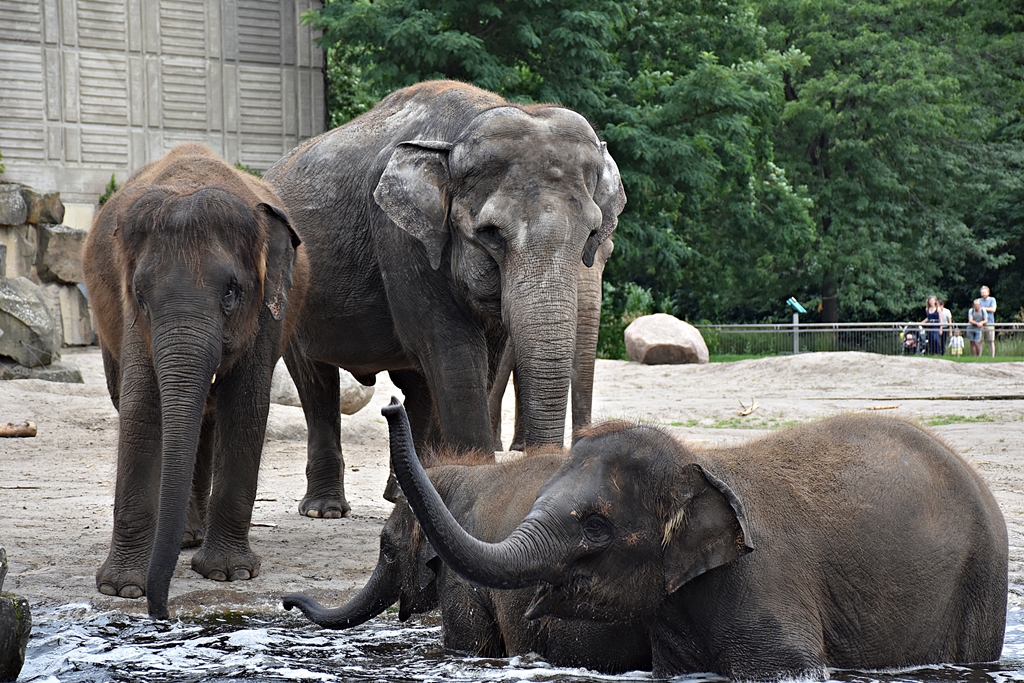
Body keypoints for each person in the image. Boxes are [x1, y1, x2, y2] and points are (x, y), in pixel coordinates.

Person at [979, 285, 997, 357]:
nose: (983, 294)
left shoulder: (992, 300)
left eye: (984, 292)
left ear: (988, 292)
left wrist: (983, 308)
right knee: (980, 341)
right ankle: (979, 356)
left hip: (990, 323)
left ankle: (992, 356)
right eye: (982, 292)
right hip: (980, 323)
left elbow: (993, 309)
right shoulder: (979, 300)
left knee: (991, 341)